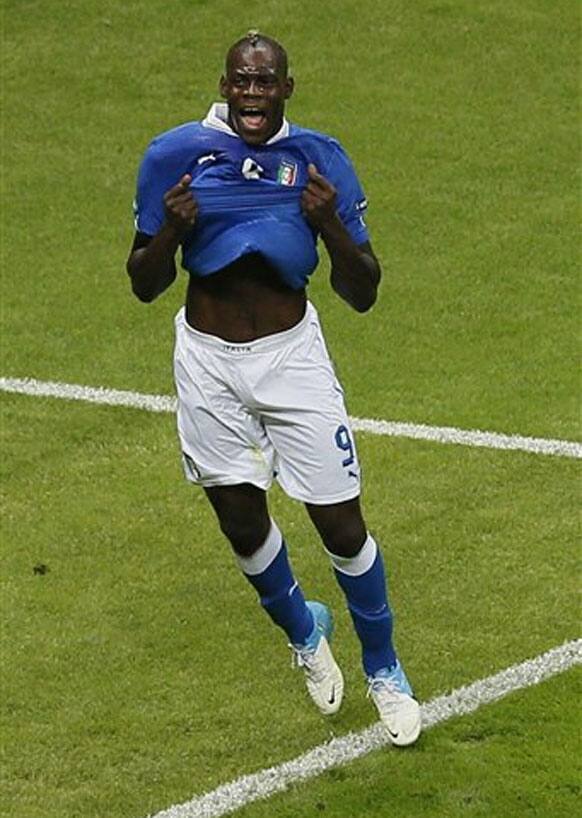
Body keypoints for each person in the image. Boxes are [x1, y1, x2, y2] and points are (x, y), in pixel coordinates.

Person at [126, 31, 421, 747]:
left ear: (286, 88)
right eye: (241, 82)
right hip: (206, 362)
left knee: (342, 525)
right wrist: (169, 231)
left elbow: (364, 290)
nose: (252, 94)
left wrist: (331, 229)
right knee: (240, 522)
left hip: (292, 360)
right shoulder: (173, 156)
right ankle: (303, 630)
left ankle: (384, 667)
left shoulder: (320, 160)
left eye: (265, 83)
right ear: (225, 86)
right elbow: (142, 283)